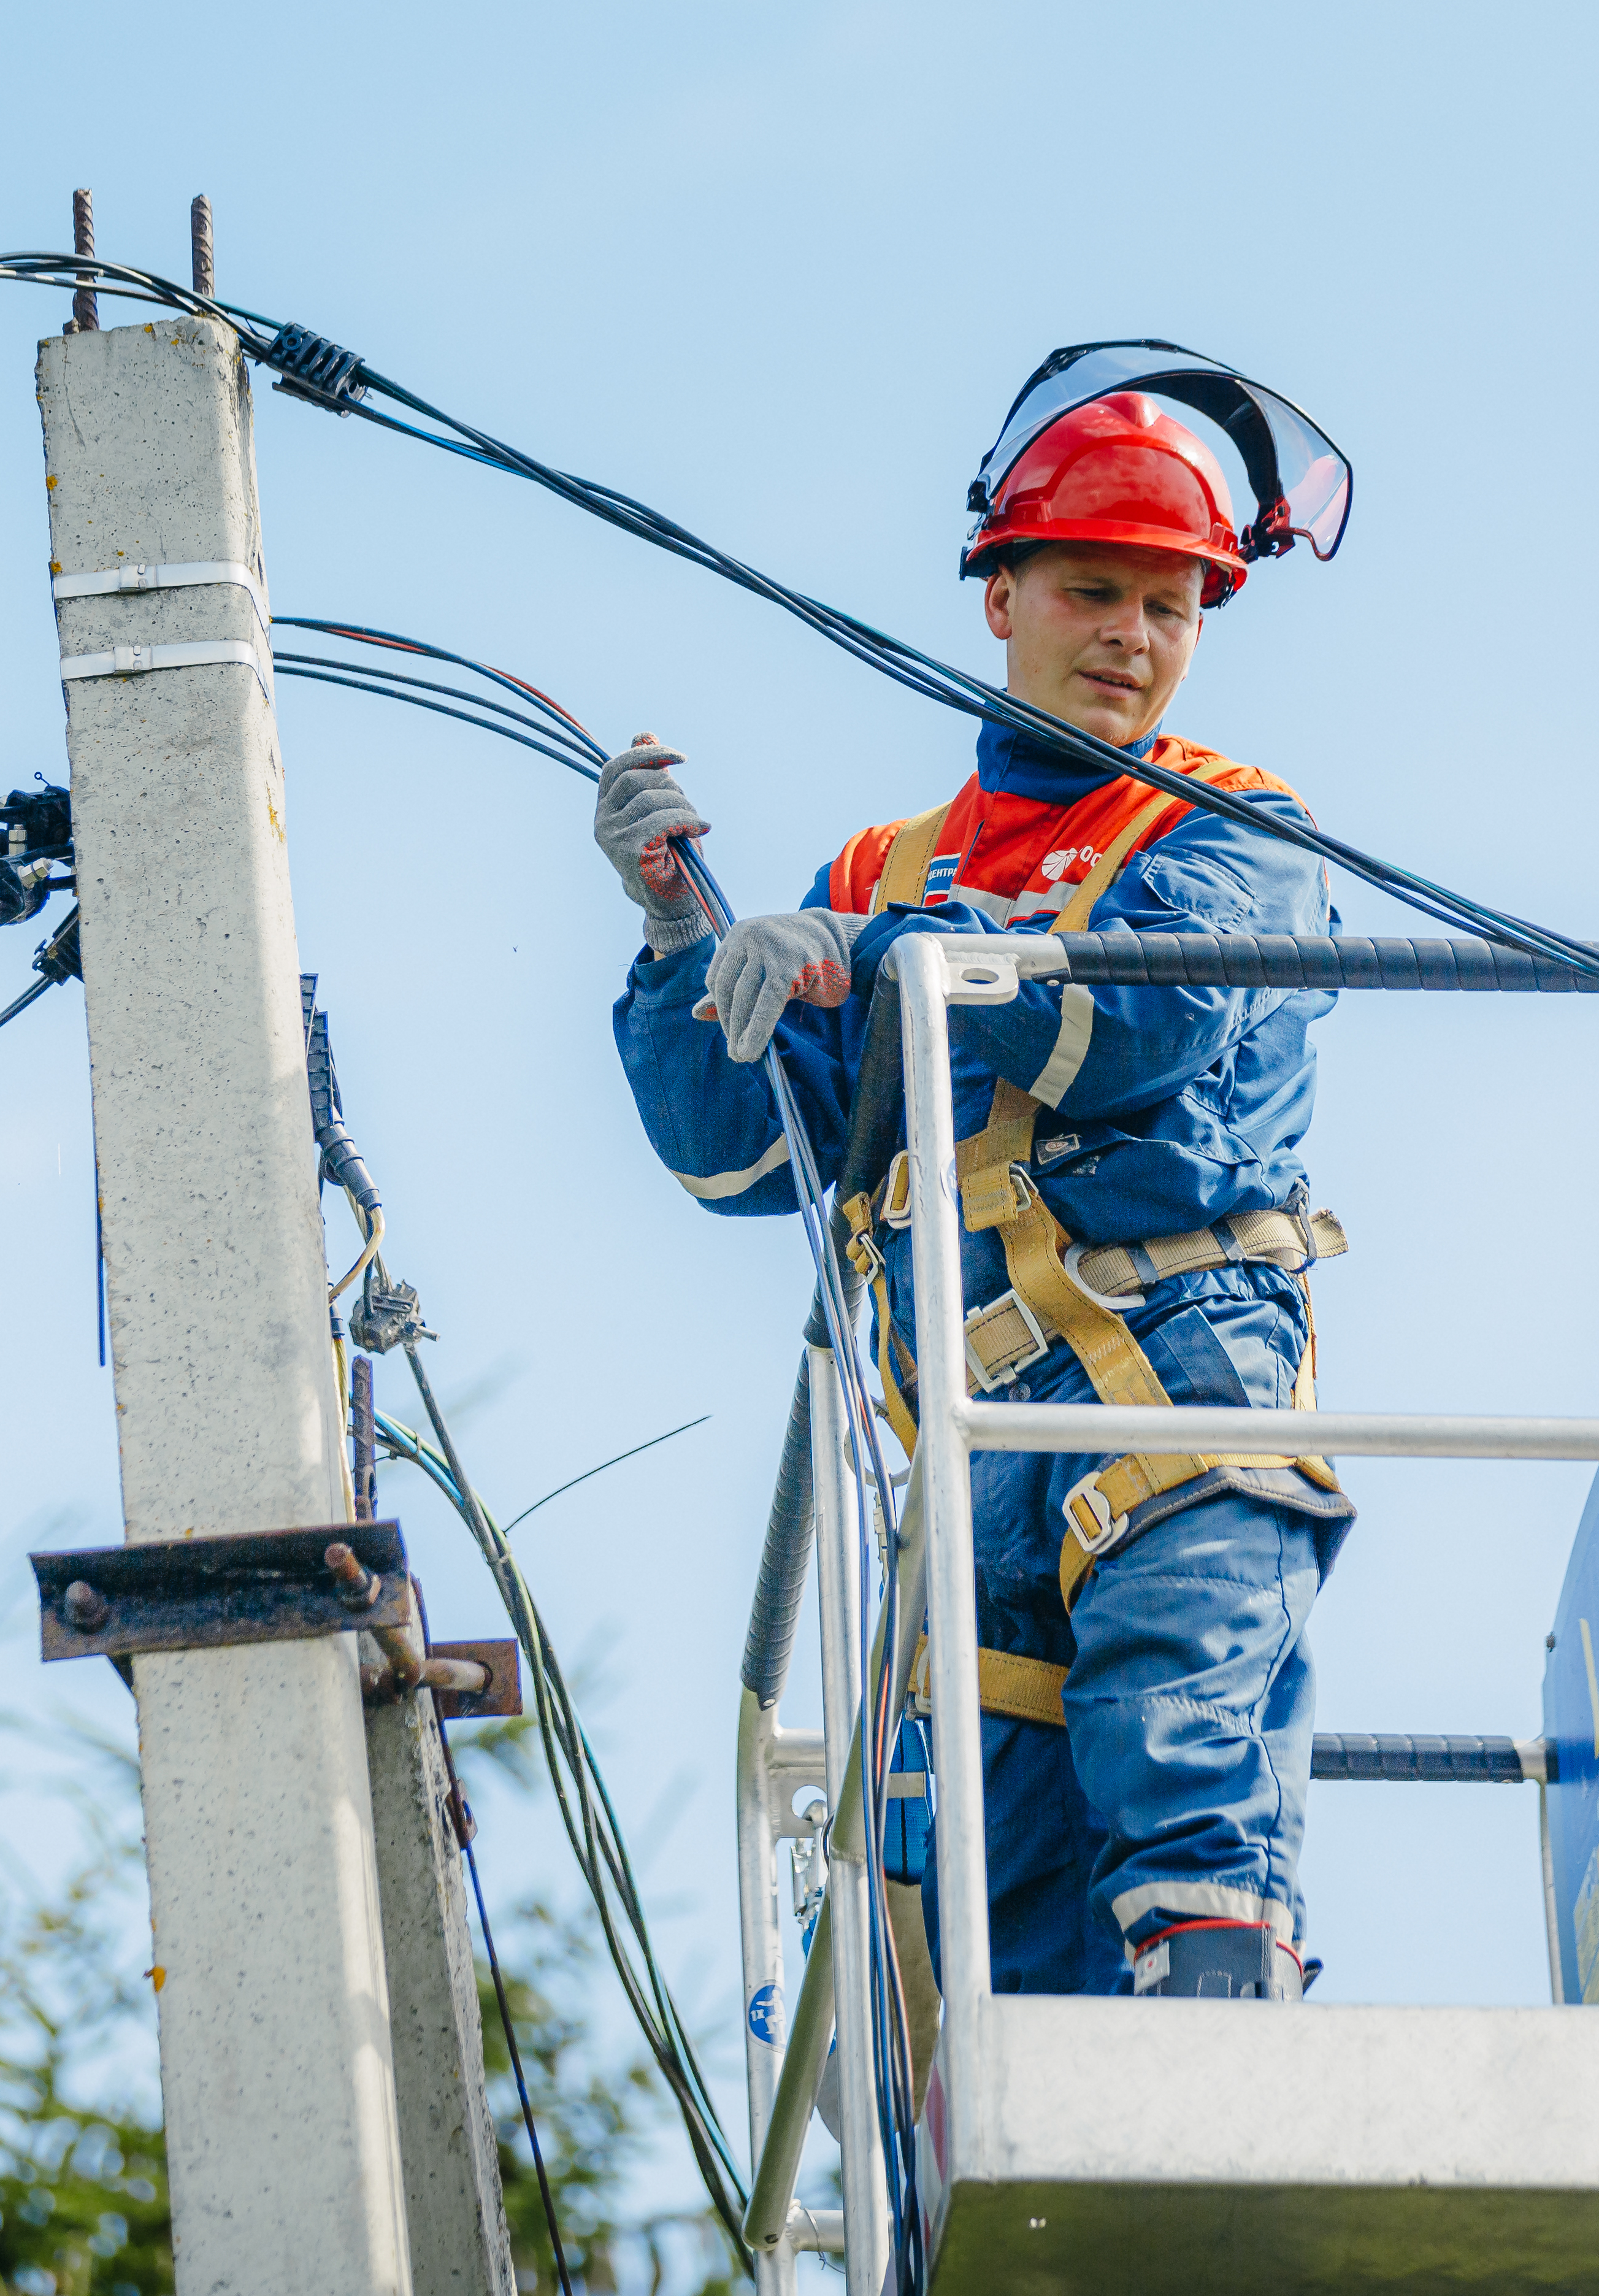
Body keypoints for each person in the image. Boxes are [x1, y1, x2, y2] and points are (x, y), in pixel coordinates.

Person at [600, 378, 1352, 2002]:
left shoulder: (1230, 827)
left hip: (1175, 1387)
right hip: (970, 1449)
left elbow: (1137, 1021)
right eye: (1093, 591)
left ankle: (1217, 2111)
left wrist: (872, 965)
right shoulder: (883, 870)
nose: (1133, 636)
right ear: (1000, 594)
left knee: (1176, 1755)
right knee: (970, 1892)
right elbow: (744, 1157)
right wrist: (681, 942)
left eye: (1171, 605)